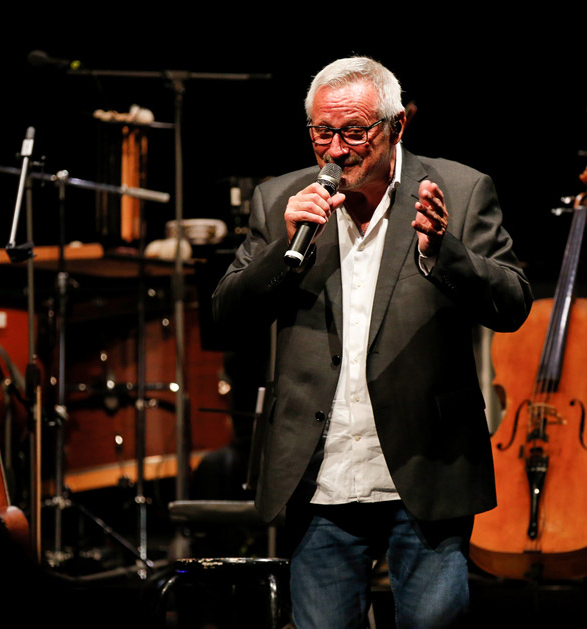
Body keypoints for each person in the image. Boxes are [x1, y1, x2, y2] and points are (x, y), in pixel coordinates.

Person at [211, 56, 532, 627]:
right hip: (321, 478)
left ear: (397, 126)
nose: (335, 150)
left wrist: (443, 253)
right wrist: (279, 252)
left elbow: (512, 304)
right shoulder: (281, 199)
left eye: (354, 132)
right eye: (322, 133)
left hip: (425, 469)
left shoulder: (458, 188)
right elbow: (226, 318)